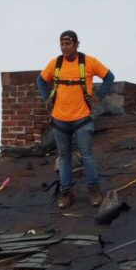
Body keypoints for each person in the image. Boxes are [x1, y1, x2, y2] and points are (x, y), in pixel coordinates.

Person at [37, 30, 115, 209]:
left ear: (77, 44)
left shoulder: (88, 62)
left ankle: (94, 191)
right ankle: (65, 193)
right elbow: (41, 80)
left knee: (87, 155)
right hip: (59, 120)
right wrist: (45, 97)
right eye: (62, 44)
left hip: (82, 119)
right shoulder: (55, 63)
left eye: (68, 44)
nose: (64, 47)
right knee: (64, 157)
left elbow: (109, 77)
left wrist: (99, 95)